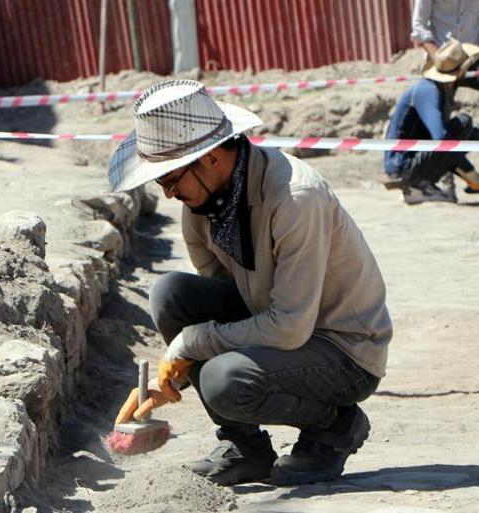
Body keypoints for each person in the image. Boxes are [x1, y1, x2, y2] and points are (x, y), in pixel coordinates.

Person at [108, 80, 392, 486]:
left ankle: (335, 425)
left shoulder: (295, 198)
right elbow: (227, 306)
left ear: (209, 158)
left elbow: (288, 326)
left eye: (172, 180)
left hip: (343, 349)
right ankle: (246, 449)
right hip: (281, 326)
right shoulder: (202, 208)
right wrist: (171, 381)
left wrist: (190, 347)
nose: (170, 195)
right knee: (172, 295)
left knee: (225, 381)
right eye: (162, 184)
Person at [384, 38, 479, 204]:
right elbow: (441, 138)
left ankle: (421, 184)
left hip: (414, 159)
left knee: (466, 130)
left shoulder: (440, 87)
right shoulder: (428, 91)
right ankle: (417, 186)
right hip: (403, 167)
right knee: (463, 123)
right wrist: (470, 173)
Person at [411, 0, 479, 196]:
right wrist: (441, 59)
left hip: (473, 58)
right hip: (441, 62)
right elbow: (419, 27)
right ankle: (447, 183)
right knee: (439, 127)